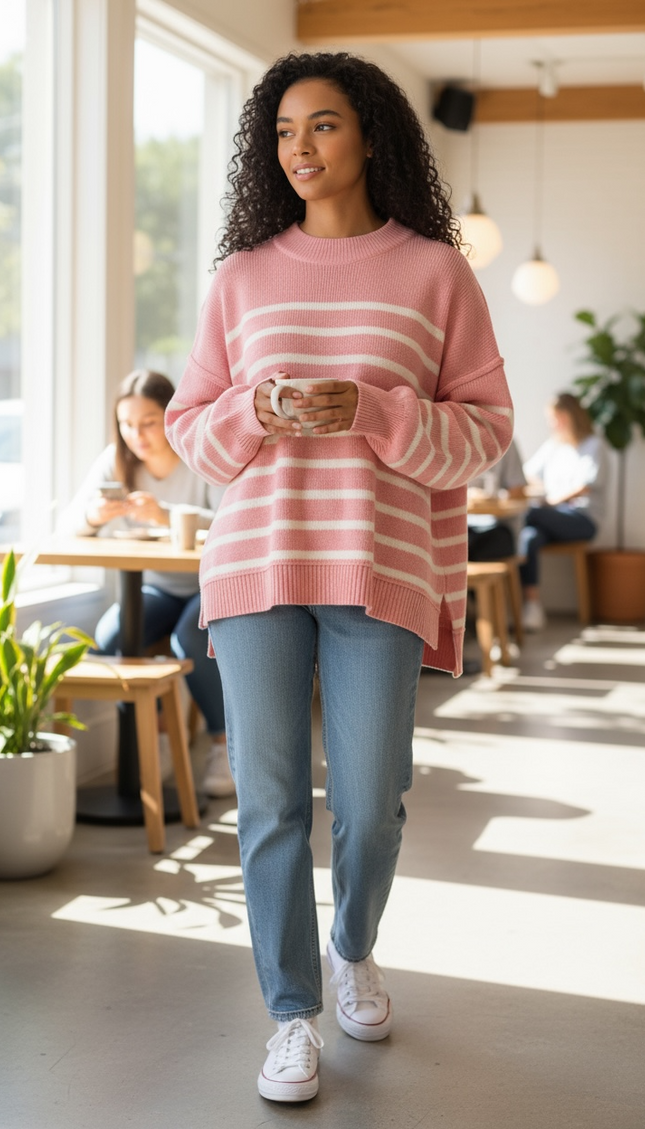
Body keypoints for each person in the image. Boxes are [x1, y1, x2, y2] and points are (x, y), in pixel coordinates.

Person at [165, 52, 513, 1103]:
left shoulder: (436, 272)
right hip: (255, 561)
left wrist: (372, 410)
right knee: (269, 802)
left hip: (383, 561)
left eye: (320, 125)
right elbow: (190, 429)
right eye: (281, 131)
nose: (299, 148)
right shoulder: (241, 277)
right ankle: (289, 1014)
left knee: (372, 796)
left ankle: (352, 945)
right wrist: (253, 411)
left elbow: (485, 429)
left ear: (369, 132)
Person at [60, 369, 233, 797]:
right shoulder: (116, 461)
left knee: (192, 637)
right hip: (156, 587)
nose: (137, 435)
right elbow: (68, 524)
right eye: (127, 424)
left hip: (207, 584)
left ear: (171, 416)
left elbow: (231, 520)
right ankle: (157, 731)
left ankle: (223, 744)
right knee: (112, 637)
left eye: (149, 422)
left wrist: (165, 515)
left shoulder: (197, 454)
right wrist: (93, 516)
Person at [519, 392, 608, 631]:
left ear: (571, 415)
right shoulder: (554, 446)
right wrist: (540, 490)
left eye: (557, 417)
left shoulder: (593, 445)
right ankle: (532, 605)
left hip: (583, 519)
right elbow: (526, 474)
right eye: (551, 418)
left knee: (529, 514)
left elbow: (585, 486)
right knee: (529, 537)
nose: (553, 423)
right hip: (552, 518)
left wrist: (552, 500)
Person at [467, 438, 527, 561]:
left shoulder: (505, 441)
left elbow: (518, 492)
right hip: (464, 527)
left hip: (498, 527)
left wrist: (492, 500)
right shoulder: (456, 441)